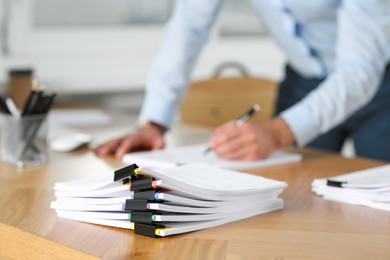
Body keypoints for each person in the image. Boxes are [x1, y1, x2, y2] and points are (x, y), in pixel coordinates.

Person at [93, 0, 390, 162]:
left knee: (380, 202)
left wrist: (277, 133)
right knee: (289, 192)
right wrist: (154, 122)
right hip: (302, 82)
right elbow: (189, 27)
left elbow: (359, 71)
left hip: (381, 85)